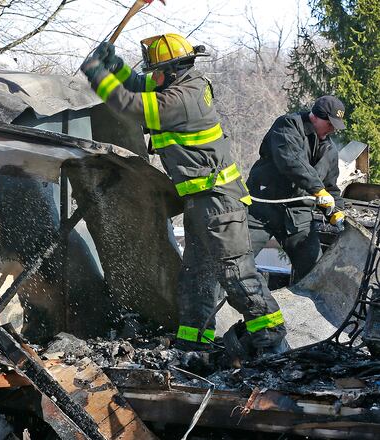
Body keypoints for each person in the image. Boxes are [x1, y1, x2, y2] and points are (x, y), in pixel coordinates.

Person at [80, 33, 287, 358]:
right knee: (195, 281)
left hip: (219, 202)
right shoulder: (181, 85)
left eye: (156, 72)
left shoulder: (179, 100)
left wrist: (95, 73)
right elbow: (136, 84)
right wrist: (114, 64)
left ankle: (273, 345)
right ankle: (194, 347)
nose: (152, 77)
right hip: (200, 203)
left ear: (172, 70)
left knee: (237, 276)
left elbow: (127, 103)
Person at [246, 96, 347, 283]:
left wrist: (337, 212)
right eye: (330, 123)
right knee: (236, 260)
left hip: (298, 216)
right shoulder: (288, 125)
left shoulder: (330, 151)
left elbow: (330, 187)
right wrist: (318, 190)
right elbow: (291, 161)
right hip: (262, 209)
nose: (333, 129)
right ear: (315, 116)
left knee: (313, 272)